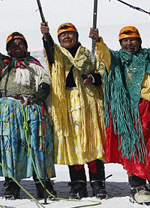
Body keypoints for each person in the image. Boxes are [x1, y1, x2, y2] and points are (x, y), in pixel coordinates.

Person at [98, 13, 150, 205]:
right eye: (125, 40)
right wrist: (98, 41)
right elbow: (105, 56)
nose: (129, 44)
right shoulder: (118, 59)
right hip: (132, 113)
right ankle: (137, 185)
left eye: (132, 40)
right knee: (136, 148)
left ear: (139, 41)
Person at [0, 16, 55, 200]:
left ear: (25, 46)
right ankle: (11, 185)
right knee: (10, 147)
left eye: (20, 44)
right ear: (8, 49)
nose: (17, 47)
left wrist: (42, 92)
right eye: (12, 45)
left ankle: (43, 184)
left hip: (31, 108)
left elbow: (45, 80)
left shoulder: (34, 65)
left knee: (36, 146)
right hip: (7, 111)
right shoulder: (3, 64)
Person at [41, 21, 107, 200]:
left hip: (88, 103)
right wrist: (46, 37)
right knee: (73, 143)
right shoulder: (56, 54)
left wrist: (93, 78)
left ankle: (97, 181)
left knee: (92, 141)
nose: (66, 37)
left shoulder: (88, 53)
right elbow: (49, 52)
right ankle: (78, 183)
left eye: (70, 34)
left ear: (76, 36)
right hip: (67, 104)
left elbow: (103, 72)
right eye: (62, 35)